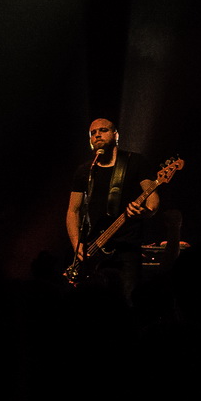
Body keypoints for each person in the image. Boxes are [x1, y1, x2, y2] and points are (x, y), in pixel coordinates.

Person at [66, 118, 159, 295]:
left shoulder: (135, 161)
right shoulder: (85, 171)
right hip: (95, 248)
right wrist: (77, 245)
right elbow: (73, 210)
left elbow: (152, 198)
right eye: (93, 133)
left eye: (103, 130)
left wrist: (144, 212)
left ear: (116, 135)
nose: (97, 135)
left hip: (127, 248)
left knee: (127, 298)